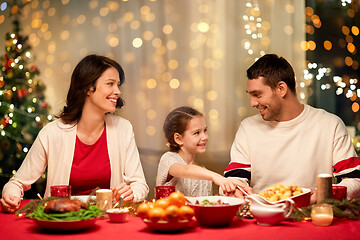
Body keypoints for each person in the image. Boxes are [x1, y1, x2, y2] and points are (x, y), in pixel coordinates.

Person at [1, 54, 149, 213]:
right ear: (87, 88)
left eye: (118, 85)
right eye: (110, 84)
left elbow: (140, 184)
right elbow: (16, 183)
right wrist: (11, 195)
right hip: (63, 221)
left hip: (108, 222)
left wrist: (132, 193)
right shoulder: (52, 133)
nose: (117, 91)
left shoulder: (123, 129)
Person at [224, 54, 360, 202]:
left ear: (281, 88)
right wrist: (234, 189)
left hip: (312, 219)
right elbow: (235, 179)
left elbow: (355, 181)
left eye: (257, 94)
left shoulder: (330, 125)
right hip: (262, 219)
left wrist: (323, 193)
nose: (252, 103)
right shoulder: (248, 128)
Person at [156, 106, 238, 196]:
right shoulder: (168, 159)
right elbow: (186, 170)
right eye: (197, 133)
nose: (205, 137)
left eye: (205, 130)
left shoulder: (204, 173)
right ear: (178, 138)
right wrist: (216, 176)